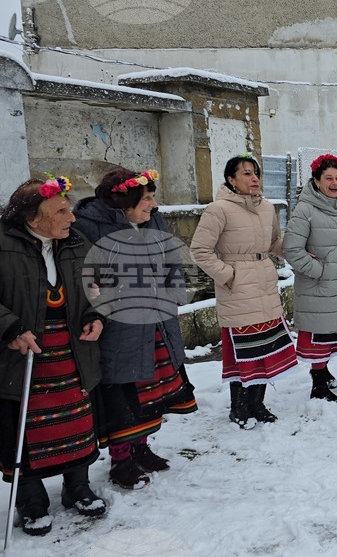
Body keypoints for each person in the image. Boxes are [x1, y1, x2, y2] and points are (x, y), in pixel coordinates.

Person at [73, 168, 198, 489]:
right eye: (147, 199)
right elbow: (87, 276)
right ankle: (121, 460)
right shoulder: (90, 228)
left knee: (150, 391)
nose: (154, 205)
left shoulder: (152, 220)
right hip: (119, 324)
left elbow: (171, 259)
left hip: (156, 320)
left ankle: (142, 448)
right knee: (124, 392)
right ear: (125, 202)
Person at [0, 177, 106, 535]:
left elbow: (98, 284)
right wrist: (10, 328)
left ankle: (77, 487)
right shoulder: (2, 244)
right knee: (25, 428)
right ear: (33, 219)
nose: (72, 218)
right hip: (22, 356)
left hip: (73, 352)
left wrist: (95, 315)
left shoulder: (76, 242)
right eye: (61, 211)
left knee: (76, 423)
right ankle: (31, 500)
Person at [191, 154, 295, 429]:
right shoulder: (218, 209)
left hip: (264, 281)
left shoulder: (267, 208)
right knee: (243, 350)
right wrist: (227, 275)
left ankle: (257, 404)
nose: (254, 179)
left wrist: (298, 249)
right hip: (238, 287)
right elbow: (200, 250)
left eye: (256, 173)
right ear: (231, 179)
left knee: (265, 348)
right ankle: (238, 407)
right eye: (246, 173)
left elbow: (273, 243)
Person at [282, 154, 337, 404]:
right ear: (316, 181)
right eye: (328, 178)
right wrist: (317, 270)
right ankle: (318, 386)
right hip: (316, 285)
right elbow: (292, 249)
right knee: (319, 336)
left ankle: (323, 371)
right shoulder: (305, 209)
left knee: (334, 333)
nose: (335, 182)